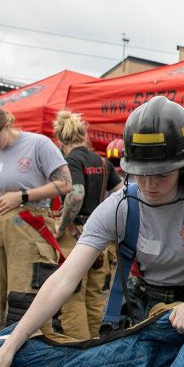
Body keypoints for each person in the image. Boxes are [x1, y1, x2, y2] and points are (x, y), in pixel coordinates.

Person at [0, 96, 184, 367]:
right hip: (142, 307)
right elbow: (64, 279)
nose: (149, 185)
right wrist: (13, 343)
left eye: (161, 174)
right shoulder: (119, 206)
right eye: (141, 173)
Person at [0, 104, 73, 356]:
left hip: (28, 224)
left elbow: (66, 184)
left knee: (25, 297)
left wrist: (22, 196)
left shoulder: (38, 144)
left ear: (7, 124)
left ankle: (27, 358)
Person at [52, 109, 121, 339]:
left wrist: (61, 226)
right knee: (95, 298)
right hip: (101, 239)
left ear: (60, 140)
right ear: (85, 135)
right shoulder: (103, 161)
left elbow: (77, 193)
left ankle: (78, 351)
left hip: (75, 237)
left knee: (71, 296)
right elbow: (121, 193)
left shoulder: (70, 161)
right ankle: (97, 348)